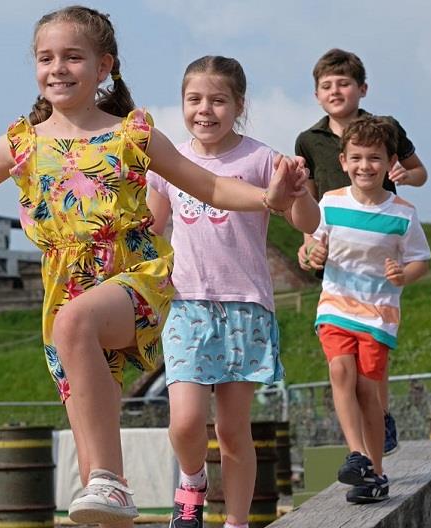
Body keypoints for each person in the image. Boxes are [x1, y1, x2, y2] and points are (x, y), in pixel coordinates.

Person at [0, 5, 306, 526]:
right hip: (65, 288)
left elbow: (211, 185)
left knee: (77, 324)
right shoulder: (22, 143)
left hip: (135, 279)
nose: (57, 67)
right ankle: (109, 490)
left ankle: (114, 480)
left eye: (72, 57)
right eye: (46, 57)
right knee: (90, 479)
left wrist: (268, 197)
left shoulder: (134, 135)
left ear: (103, 67)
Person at [146, 56, 319, 528]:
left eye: (218, 100)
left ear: (239, 105)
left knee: (232, 430)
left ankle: (237, 522)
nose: (206, 110)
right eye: (195, 99)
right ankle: (192, 481)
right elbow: (151, 227)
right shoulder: (169, 162)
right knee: (184, 423)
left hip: (245, 307)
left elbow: (307, 222)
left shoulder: (262, 160)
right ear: (182, 103)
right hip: (186, 304)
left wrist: (299, 190)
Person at [295, 48, 429, 456]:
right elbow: (309, 201)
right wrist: (308, 245)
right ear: (317, 94)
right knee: (341, 361)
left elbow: (420, 173)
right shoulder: (309, 139)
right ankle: (359, 444)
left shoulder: (386, 128)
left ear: (362, 88)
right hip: (337, 246)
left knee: (371, 361)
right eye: (327, 85)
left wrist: (407, 175)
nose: (336, 91)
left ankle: (380, 417)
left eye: (344, 83)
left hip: (379, 244)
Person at [307, 116, 431, 503]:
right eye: (357, 158)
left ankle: (376, 472)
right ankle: (357, 454)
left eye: (374, 158)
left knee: (369, 393)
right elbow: (313, 247)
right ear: (343, 161)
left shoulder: (402, 213)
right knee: (340, 371)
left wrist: (403, 275)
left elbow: (420, 260)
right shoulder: (330, 203)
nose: (365, 166)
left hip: (378, 314)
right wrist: (315, 254)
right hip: (336, 306)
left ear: (390, 162)